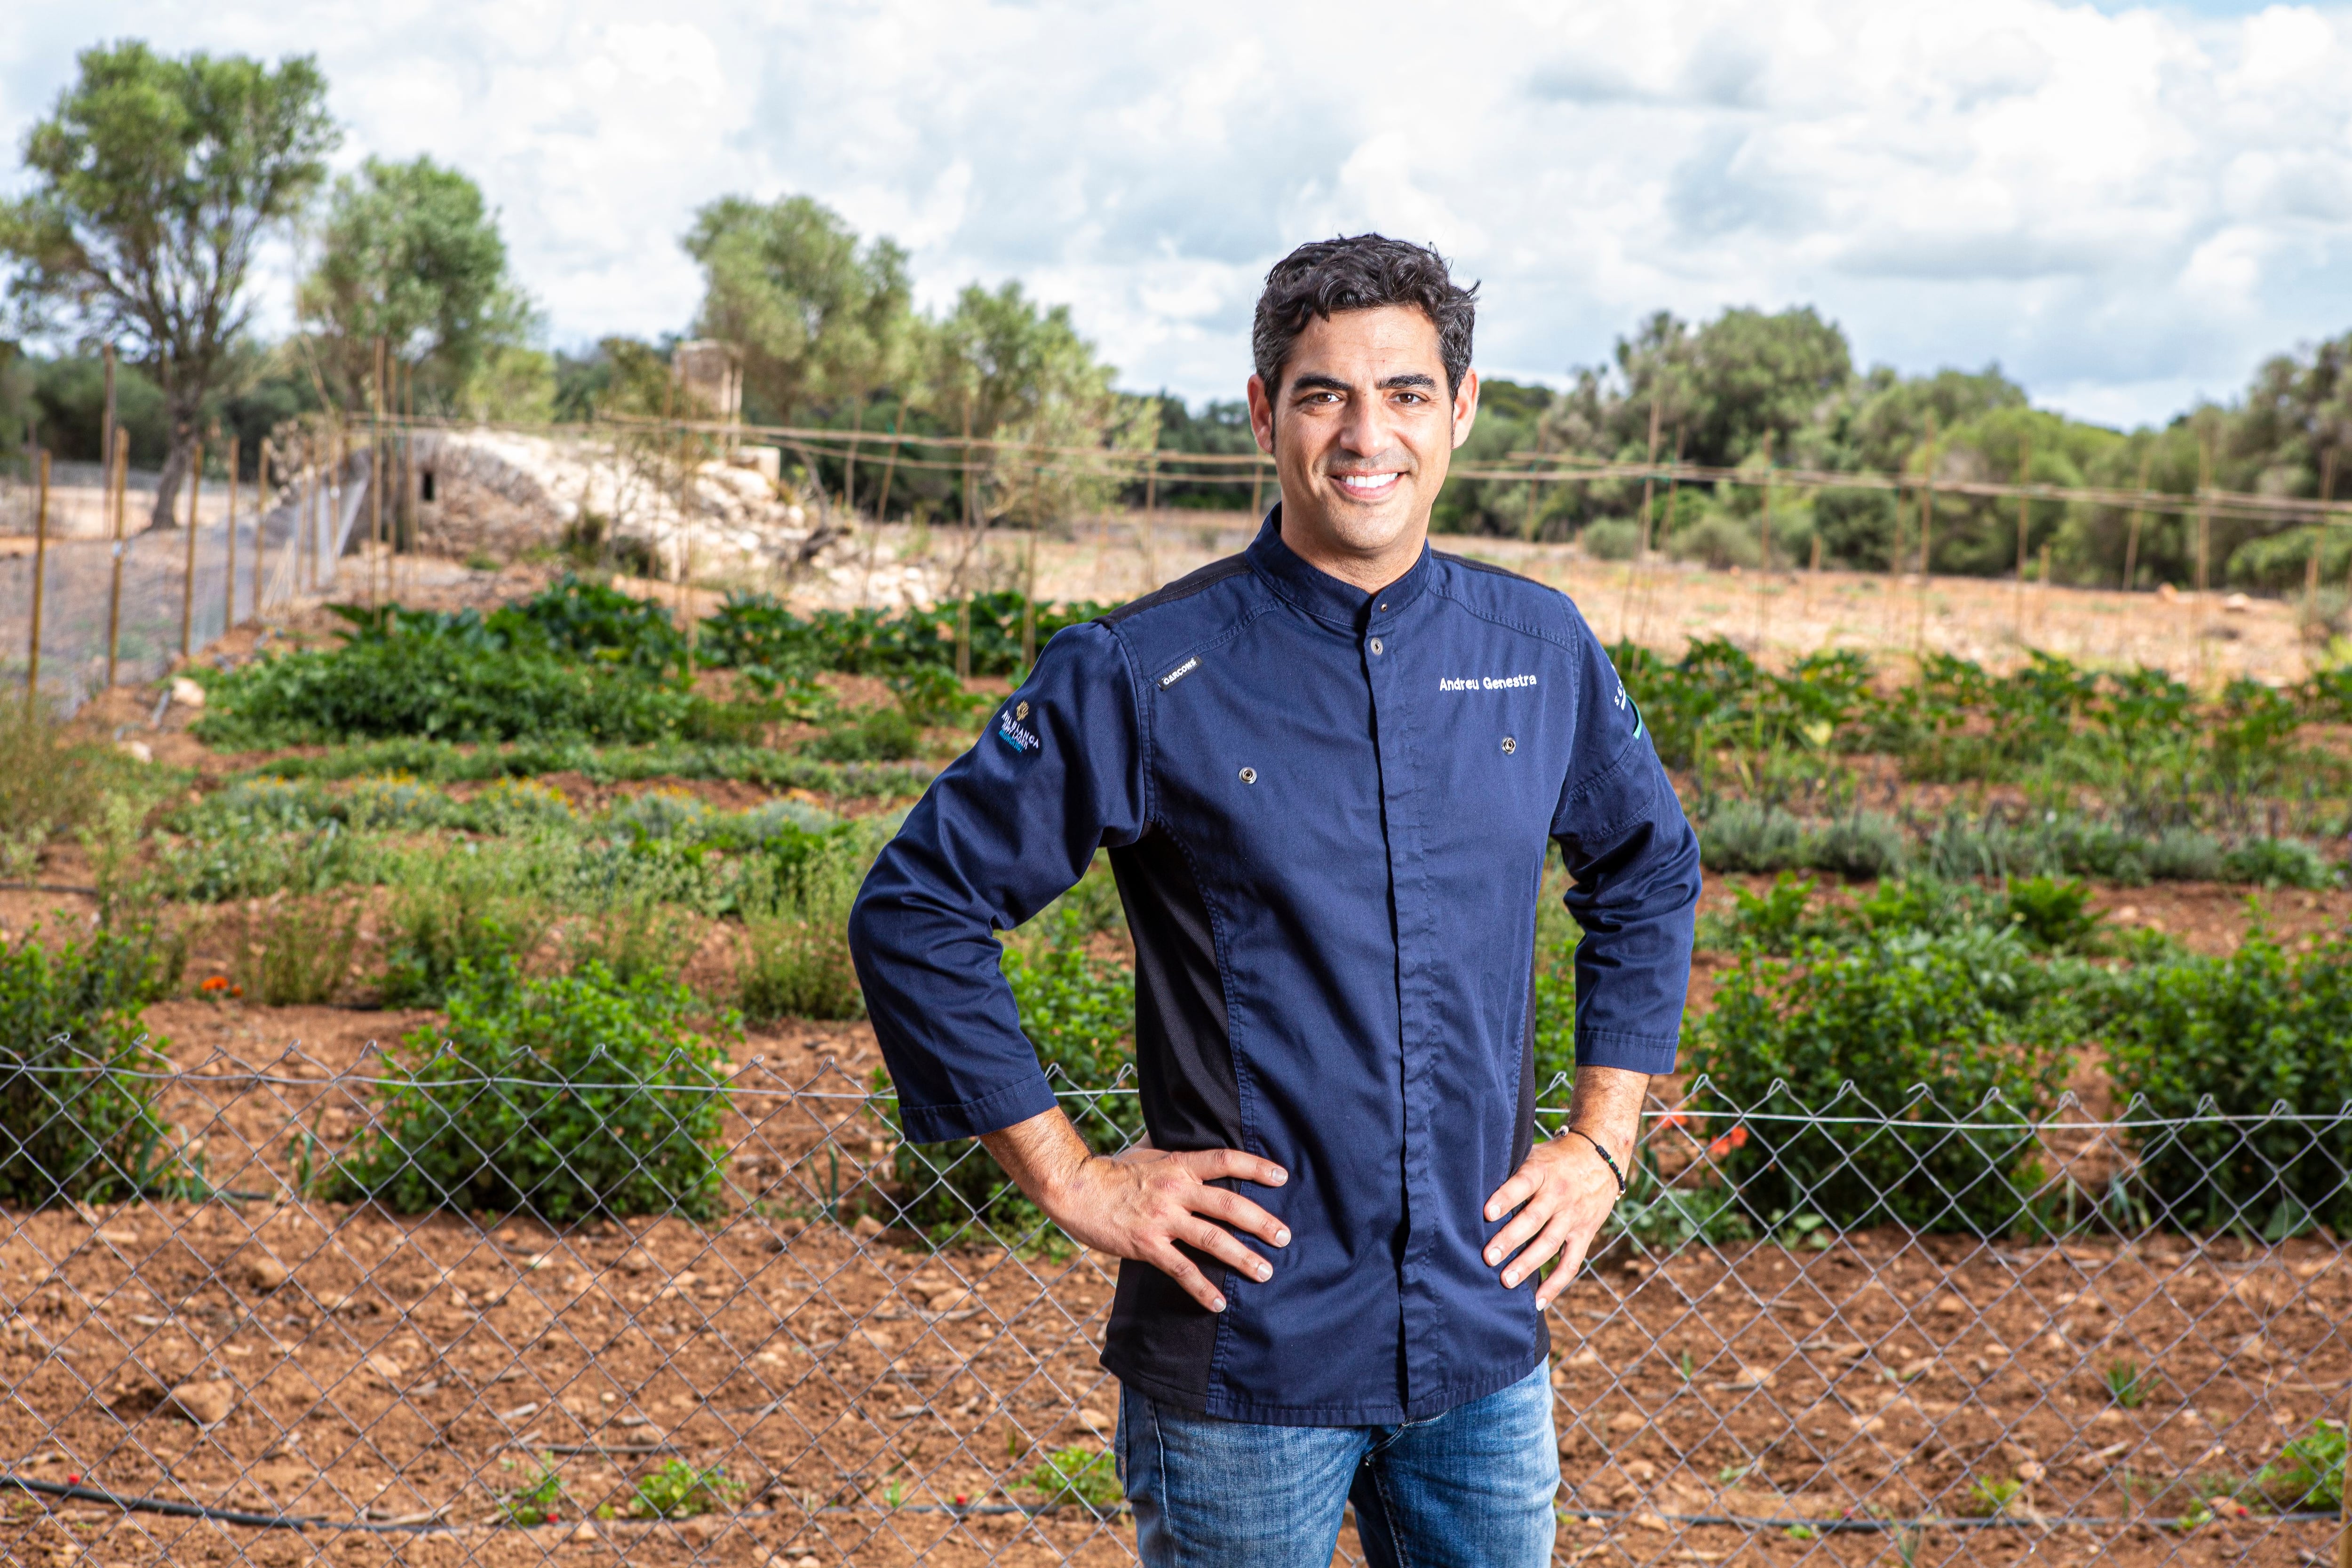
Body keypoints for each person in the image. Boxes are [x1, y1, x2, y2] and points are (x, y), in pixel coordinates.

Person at [849, 234, 1701, 1568]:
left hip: (1481, 1349)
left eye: (1408, 393)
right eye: (1324, 395)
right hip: (1245, 1359)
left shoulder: (1540, 653)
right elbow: (916, 909)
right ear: (1264, 414)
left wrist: (1599, 1144)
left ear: (1462, 411)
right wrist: (1074, 1180)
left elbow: (1648, 871)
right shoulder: (1141, 669)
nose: (1369, 434)